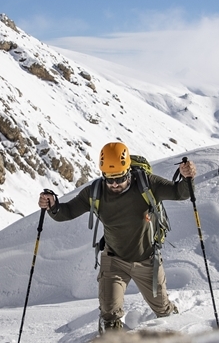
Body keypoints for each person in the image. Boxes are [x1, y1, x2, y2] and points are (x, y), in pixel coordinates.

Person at [37, 142, 196, 331]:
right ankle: (111, 341)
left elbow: (179, 193)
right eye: (109, 179)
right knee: (109, 315)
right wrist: (53, 206)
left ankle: (176, 329)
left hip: (147, 261)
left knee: (163, 310)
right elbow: (68, 211)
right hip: (114, 261)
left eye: (119, 178)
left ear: (128, 171)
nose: (114, 184)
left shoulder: (147, 183)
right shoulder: (95, 192)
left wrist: (187, 178)